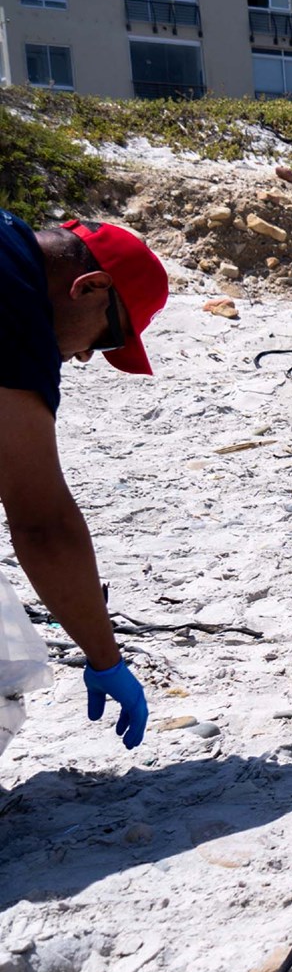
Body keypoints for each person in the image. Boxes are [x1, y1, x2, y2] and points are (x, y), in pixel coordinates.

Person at [0, 210, 168, 750]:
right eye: (110, 333)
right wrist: (105, 658)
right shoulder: (14, 303)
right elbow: (42, 524)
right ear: (90, 286)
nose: (84, 355)